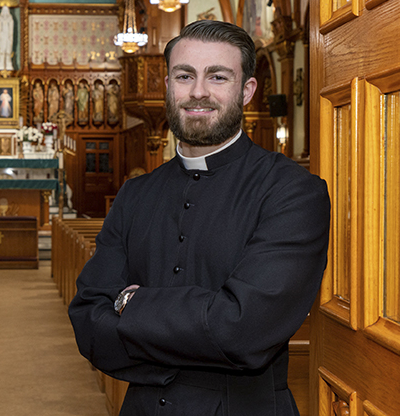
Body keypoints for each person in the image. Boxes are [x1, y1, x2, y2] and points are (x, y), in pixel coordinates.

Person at [68, 20, 331, 415]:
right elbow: (88, 323)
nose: (198, 92)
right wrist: (204, 324)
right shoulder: (135, 194)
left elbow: (245, 331)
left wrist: (128, 305)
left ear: (246, 91)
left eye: (218, 76)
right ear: (168, 87)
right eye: (184, 76)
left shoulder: (292, 191)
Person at [0, 6, 14, 71]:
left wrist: (10, 37)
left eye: (6, 11)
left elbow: (11, 29)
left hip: (8, 36)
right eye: (4, 11)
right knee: (1, 51)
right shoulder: (0, 19)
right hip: (2, 36)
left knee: (8, 51)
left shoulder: (10, 19)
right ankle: (0, 64)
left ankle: (8, 64)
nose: (5, 13)